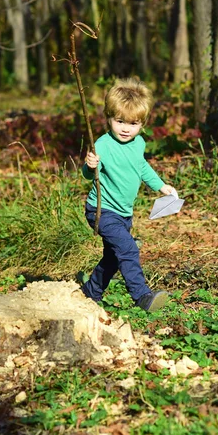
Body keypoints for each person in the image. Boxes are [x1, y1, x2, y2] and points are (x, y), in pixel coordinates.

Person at [81, 78, 174, 312]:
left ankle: (90, 293)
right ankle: (142, 296)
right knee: (129, 249)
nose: (125, 128)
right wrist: (90, 165)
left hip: (124, 213)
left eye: (132, 124)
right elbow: (89, 174)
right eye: (119, 121)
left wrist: (161, 187)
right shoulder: (102, 144)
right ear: (109, 118)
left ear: (142, 124)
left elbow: (141, 167)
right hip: (102, 211)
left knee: (113, 258)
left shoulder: (138, 143)